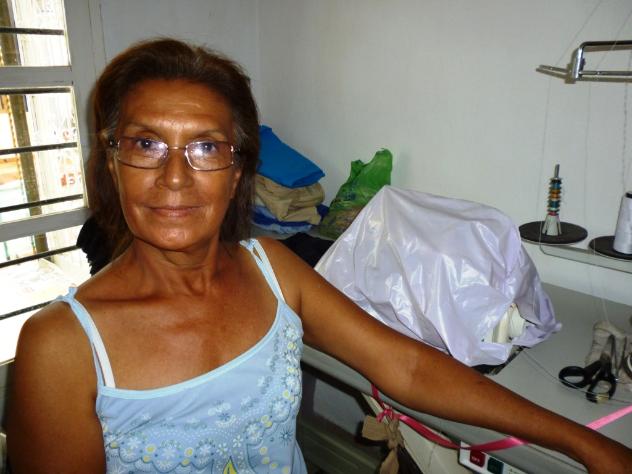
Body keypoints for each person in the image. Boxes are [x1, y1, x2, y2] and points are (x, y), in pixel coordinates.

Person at [6, 38, 632, 474]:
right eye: (146, 144)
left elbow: (407, 368)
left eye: (206, 148)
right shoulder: (60, 347)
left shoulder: (271, 269)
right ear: (111, 163)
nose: (175, 177)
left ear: (238, 171)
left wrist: (585, 443)